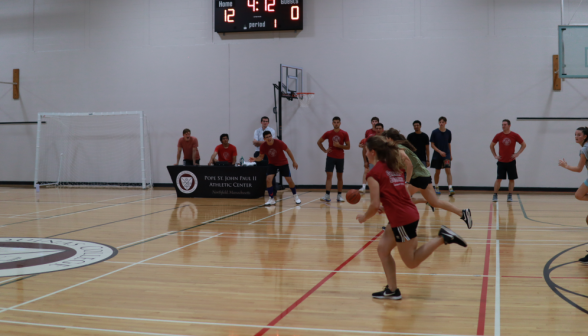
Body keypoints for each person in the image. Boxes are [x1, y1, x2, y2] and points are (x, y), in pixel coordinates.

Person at [356, 135, 467, 300]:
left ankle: (442, 237)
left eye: (365, 151)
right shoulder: (393, 167)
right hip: (404, 213)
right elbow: (395, 195)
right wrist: (386, 207)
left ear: (372, 152)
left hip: (402, 219)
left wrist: (364, 217)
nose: (365, 154)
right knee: (383, 250)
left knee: (411, 261)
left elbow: (373, 205)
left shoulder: (373, 174)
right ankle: (392, 290)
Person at [384, 128, 472, 229]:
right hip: (424, 176)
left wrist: (407, 182)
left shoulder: (398, 148)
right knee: (435, 202)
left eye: (385, 139)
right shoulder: (399, 147)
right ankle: (462, 213)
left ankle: (392, 226)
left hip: (418, 177)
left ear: (390, 139)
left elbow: (409, 164)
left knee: (399, 199)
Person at [558, 127, 588, 264]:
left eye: (579, 135)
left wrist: (565, 166)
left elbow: (579, 169)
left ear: (585, 136)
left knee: (578, 195)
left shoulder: (585, 149)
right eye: (575, 134)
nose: (576, 136)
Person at [250, 131, 301, 206]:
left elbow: (288, 151)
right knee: (268, 179)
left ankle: (295, 196)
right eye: (267, 137)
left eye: (270, 136)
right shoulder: (263, 146)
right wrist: (255, 159)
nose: (269, 138)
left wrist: (294, 161)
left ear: (272, 136)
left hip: (283, 163)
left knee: (289, 180)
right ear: (264, 139)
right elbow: (261, 157)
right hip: (272, 164)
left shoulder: (279, 143)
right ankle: (271, 199)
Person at [490, 119, 526, 202]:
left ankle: (510, 195)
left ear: (509, 125)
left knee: (511, 179)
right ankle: (495, 195)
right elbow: (491, 145)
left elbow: (523, 144)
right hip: (501, 162)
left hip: (511, 161)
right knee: (499, 179)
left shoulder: (514, 135)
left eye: (505, 124)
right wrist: (495, 155)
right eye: (502, 124)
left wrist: (517, 153)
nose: (503, 126)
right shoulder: (498, 135)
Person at [317, 116, 350, 202]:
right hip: (330, 157)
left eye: (337, 122)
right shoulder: (328, 133)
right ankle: (327, 195)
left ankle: (339, 195)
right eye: (334, 122)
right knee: (329, 176)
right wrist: (325, 150)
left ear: (340, 123)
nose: (336, 124)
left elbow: (348, 147)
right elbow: (319, 142)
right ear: (332, 123)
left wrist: (339, 146)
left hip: (340, 157)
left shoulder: (344, 133)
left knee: (340, 177)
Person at [430, 117, 453, 195]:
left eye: (443, 122)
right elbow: (432, 145)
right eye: (440, 122)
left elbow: (449, 144)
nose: (441, 123)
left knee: (448, 170)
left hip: (446, 155)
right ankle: (436, 187)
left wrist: (450, 154)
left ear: (445, 123)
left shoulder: (449, 132)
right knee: (437, 172)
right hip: (437, 155)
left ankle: (450, 188)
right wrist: (439, 152)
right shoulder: (434, 132)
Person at [359, 122, 384, 193]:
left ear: (383, 129)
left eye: (380, 128)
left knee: (382, 177)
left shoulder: (385, 139)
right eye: (377, 128)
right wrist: (365, 161)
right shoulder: (371, 139)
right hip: (373, 161)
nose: (378, 130)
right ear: (375, 129)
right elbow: (364, 149)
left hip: (382, 161)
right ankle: (364, 188)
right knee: (369, 174)